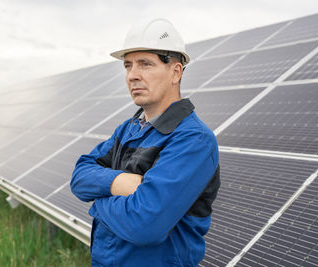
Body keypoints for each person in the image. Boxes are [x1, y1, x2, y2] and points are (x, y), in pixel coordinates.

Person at [70, 18, 220, 266]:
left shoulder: (193, 140)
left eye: (145, 64)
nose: (132, 75)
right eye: (128, 65)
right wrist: (119, 182)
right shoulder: (128, 129)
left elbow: (145, 225)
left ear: (175, 72)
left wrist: (98, 201)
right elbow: (79, 176)